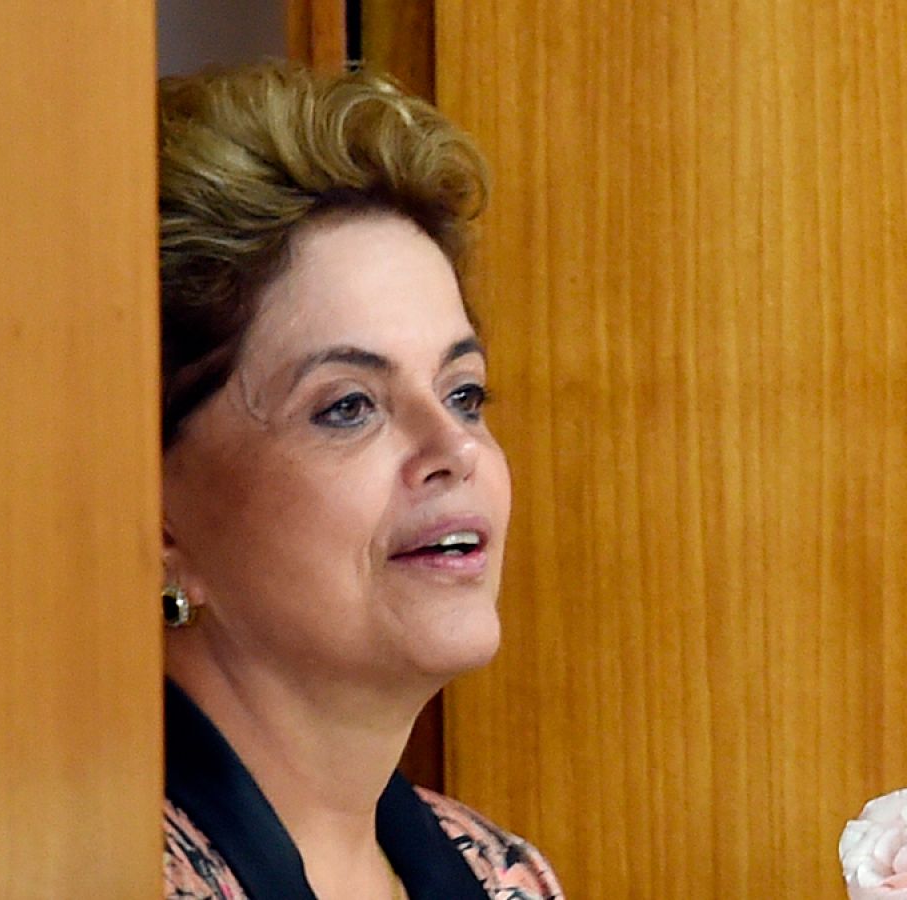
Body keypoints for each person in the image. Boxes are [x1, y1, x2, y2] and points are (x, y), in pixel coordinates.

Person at [156, 62, 562, 900]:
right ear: (158, 518)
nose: (454, 446)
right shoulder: (96, 871)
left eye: (464, 393)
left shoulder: (502, 875)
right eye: (349, 406)